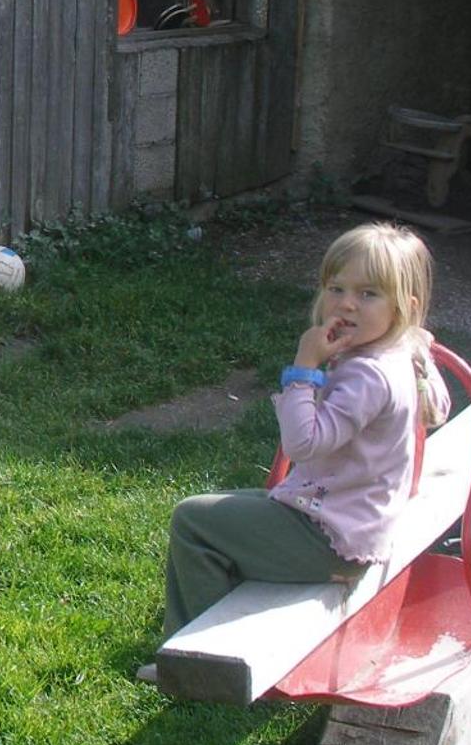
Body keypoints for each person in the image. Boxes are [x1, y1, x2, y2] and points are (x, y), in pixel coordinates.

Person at [156, 222, 452, 648]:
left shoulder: (367, 375)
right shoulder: (401, 352)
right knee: (227, 506)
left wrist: (303, 369)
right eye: (336, 288)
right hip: (354, 522)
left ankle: (193, 656)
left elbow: (303, 444)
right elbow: (439, 407)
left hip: (330, 540)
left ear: (404, 307)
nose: (346, 304)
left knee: (193, 520)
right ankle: (221, 626)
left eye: (368, 294)